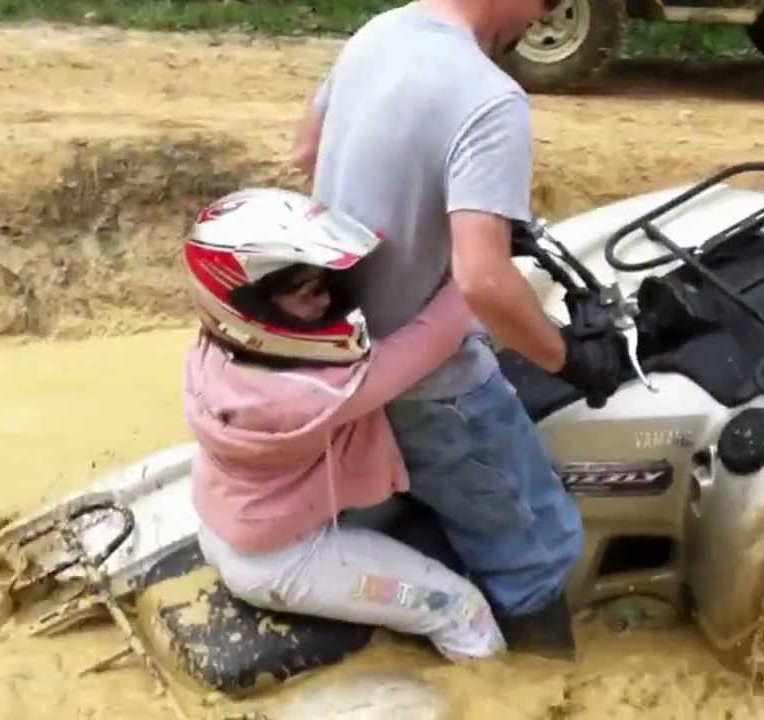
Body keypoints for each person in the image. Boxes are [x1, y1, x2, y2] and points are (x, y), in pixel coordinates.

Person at [290, 0, 627, 658]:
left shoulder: (381, 31)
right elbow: (484, 281)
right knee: (537, 546)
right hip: (433, 386)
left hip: (342, 354)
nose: (539, 22)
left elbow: (306, 149)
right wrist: (571, 360)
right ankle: (546, 688)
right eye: (548, 6)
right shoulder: (489, 95)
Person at [180, 186, 506, 663]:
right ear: (253, 308)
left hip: (236, 517)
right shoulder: (310, 395)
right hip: (280, 560)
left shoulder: (220, 349)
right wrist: (485, 260)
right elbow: (433, 336)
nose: (326, 300)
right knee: (457, 608)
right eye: (307, 292)